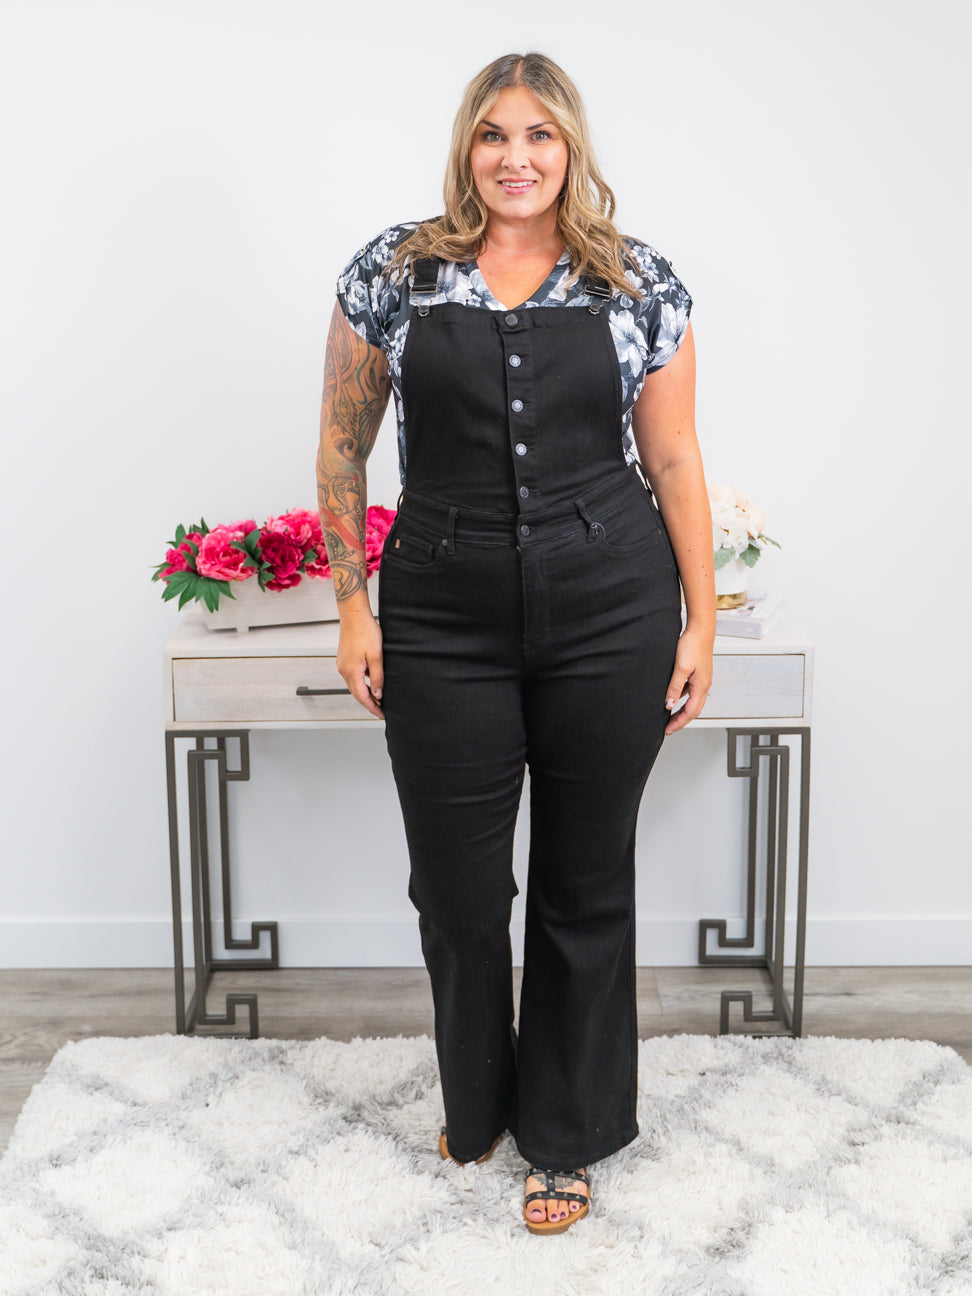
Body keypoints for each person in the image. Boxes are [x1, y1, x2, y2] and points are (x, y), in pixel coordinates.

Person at [316, 50, 715, 1235]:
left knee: (585, 880)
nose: (517, 156)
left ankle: (567, 1137)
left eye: (540, 134)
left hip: (612, 604)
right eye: (495, 134)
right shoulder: (396, 273)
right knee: (455, 887)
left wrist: (700, 619)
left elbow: (675, 459)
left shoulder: (636, 281)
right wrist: (352, 606)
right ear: (467, 147)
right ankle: (479, 1098)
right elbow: (341, 448)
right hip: (441, 610)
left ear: (571, 148)